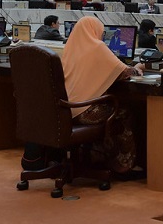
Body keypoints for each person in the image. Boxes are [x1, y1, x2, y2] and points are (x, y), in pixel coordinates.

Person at [21, 16, 145, 175]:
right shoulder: (97, 47)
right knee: (125, 112)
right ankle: (123, 165)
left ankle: (95, 156)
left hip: (65, 110)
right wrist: (138, 67)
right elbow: (125, 72)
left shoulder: (70, 48)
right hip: (84, 111)